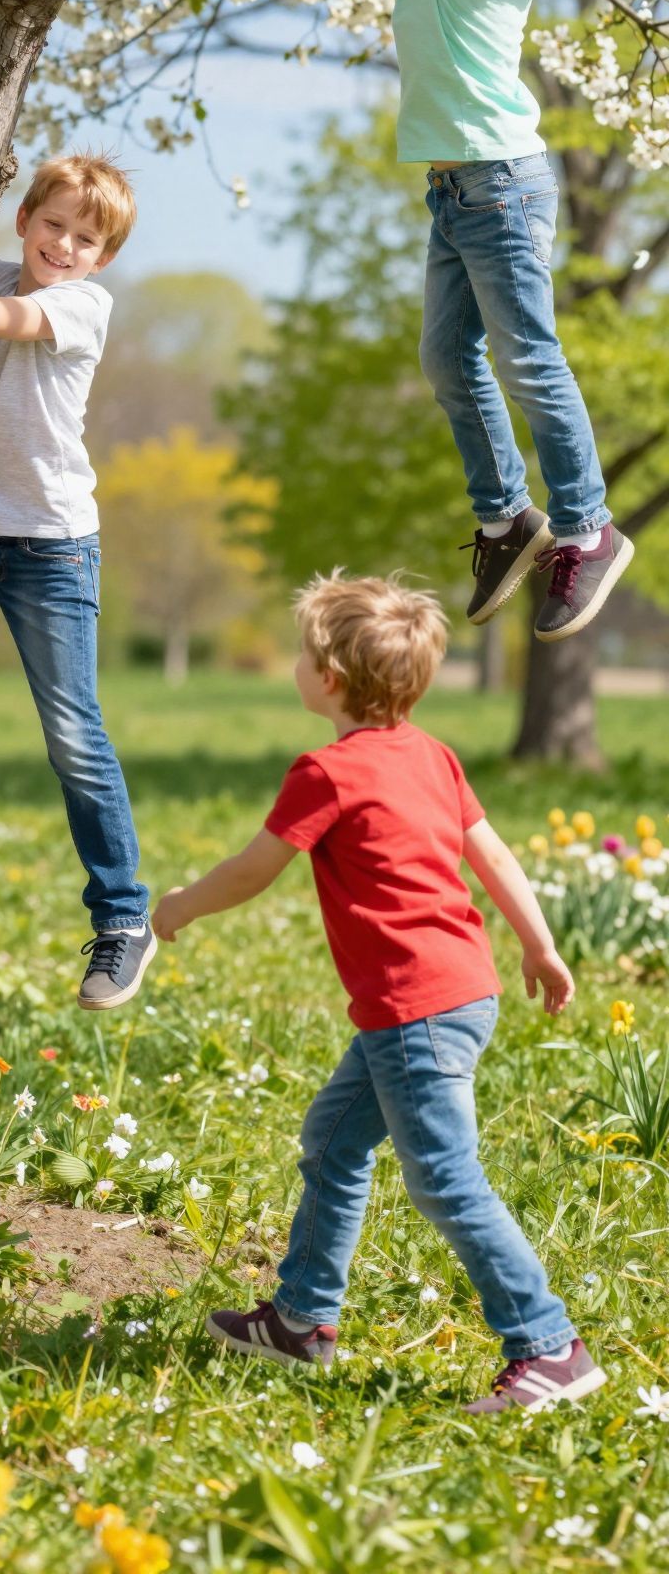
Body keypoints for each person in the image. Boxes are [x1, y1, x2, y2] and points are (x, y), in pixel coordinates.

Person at [153, 572, 605, 1415]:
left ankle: (549, 1344)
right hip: (460, 989)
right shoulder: (433, 756)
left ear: (327, 677)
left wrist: (179, 906)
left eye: (300, 652)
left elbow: (255, 868)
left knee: (445, 1181)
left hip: (416, 1010)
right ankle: (301, 1321)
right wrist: (539, 948)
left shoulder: (326, 772)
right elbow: (496, 858)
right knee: (332, 1142)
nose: (296, 664)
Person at [322, 0, 632, 644]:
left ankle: (589, 524)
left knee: (526, 356)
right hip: (464, 187)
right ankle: (507, 516)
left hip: (496, 186)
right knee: (447, 353)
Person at [0, 140, 153, 1012]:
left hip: (51, 550)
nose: (65, 246)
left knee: (74, 738)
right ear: (27, 220)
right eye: (54, 225)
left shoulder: (84, 306)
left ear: (104, 258)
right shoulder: (6, 271)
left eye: (86, 238)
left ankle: (123, 917)